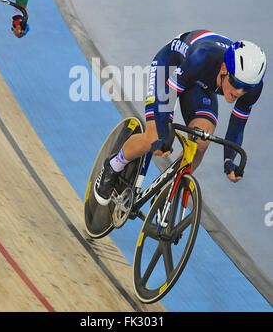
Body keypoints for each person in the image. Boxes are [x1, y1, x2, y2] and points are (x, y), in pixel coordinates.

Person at [94, 29, 267, 206]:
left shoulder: (253, 87)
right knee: (153, 136)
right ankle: (114, 165)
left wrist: (229, 160)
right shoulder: (202, 57)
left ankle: (169, 192)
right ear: (224, 69)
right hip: (170, 66)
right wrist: (164, 131)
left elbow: (237, 126)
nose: (239, 92)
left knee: (201, 141)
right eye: (236, 83)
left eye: (246, 88)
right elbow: (167, 95)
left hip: (200, 82)